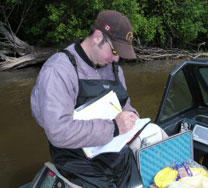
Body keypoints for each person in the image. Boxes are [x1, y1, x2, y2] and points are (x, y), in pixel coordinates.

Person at [31, 10, 143, 188]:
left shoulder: (116, 70)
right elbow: (58, 131)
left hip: (115, 151)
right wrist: (114, 127)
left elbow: (124, 104)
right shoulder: (59, 70)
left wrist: (131, 114)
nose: (116, 58)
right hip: (75, 160)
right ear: (98, 37)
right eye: (114, 50)